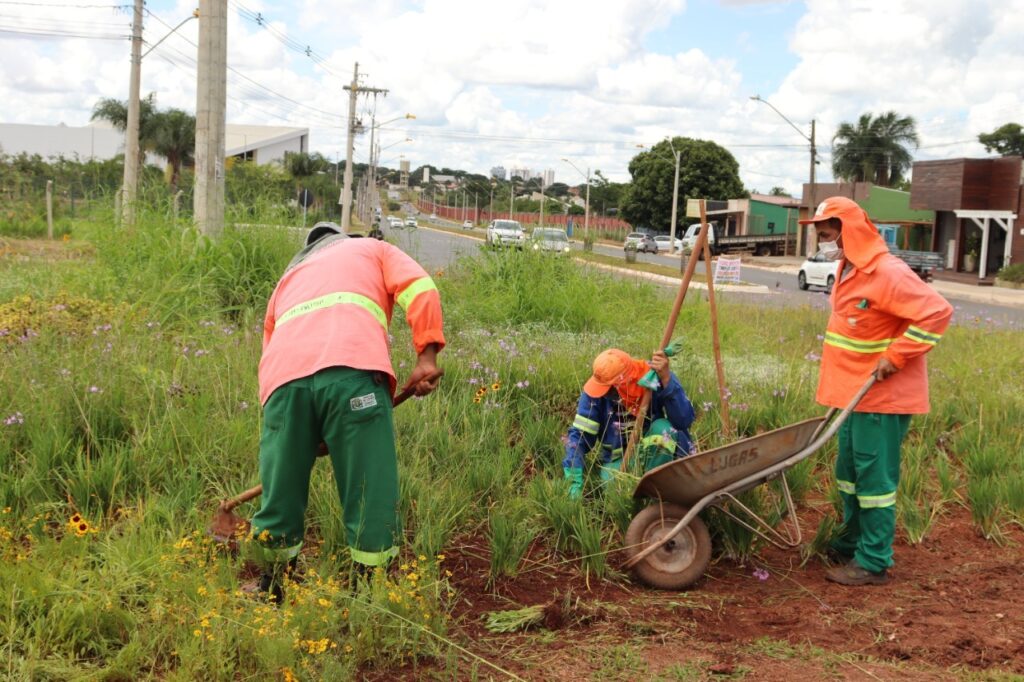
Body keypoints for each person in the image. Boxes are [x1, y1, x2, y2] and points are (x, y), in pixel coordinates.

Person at [248, 222, 445, 601]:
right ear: (346, 239)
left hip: (282, 385)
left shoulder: (288, 278)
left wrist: (304, 431)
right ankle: (370, 591)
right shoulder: (373, 249)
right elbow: (422, 288)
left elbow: (269, 347)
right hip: (354, 374)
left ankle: (274, 586)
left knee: (281, 486)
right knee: (370, 485)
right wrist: (426, 355)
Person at [799, 197, 952, 587]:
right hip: (853, 395)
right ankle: (852, 541)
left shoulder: (887, 272)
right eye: (819, 232)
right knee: (848, 475)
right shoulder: (849, 267)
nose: (823, 240)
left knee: (874, 482)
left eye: (828, 232)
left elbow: (936, 312)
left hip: (881, 397)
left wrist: (897, 355)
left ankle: (874, 560)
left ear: (849, 230)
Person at [562, 348, 696, 498]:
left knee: (663, 429)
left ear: (624, 382)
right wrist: (574, 481)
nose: (605, 393)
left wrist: (666, 380)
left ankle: (656, 493)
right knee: (614, 492)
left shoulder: (654, 376)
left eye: (609, 389)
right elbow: (579, 437)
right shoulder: (595, 395)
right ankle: (637, 504)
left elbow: (684, 420)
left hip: (656, 453)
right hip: (619, 460)